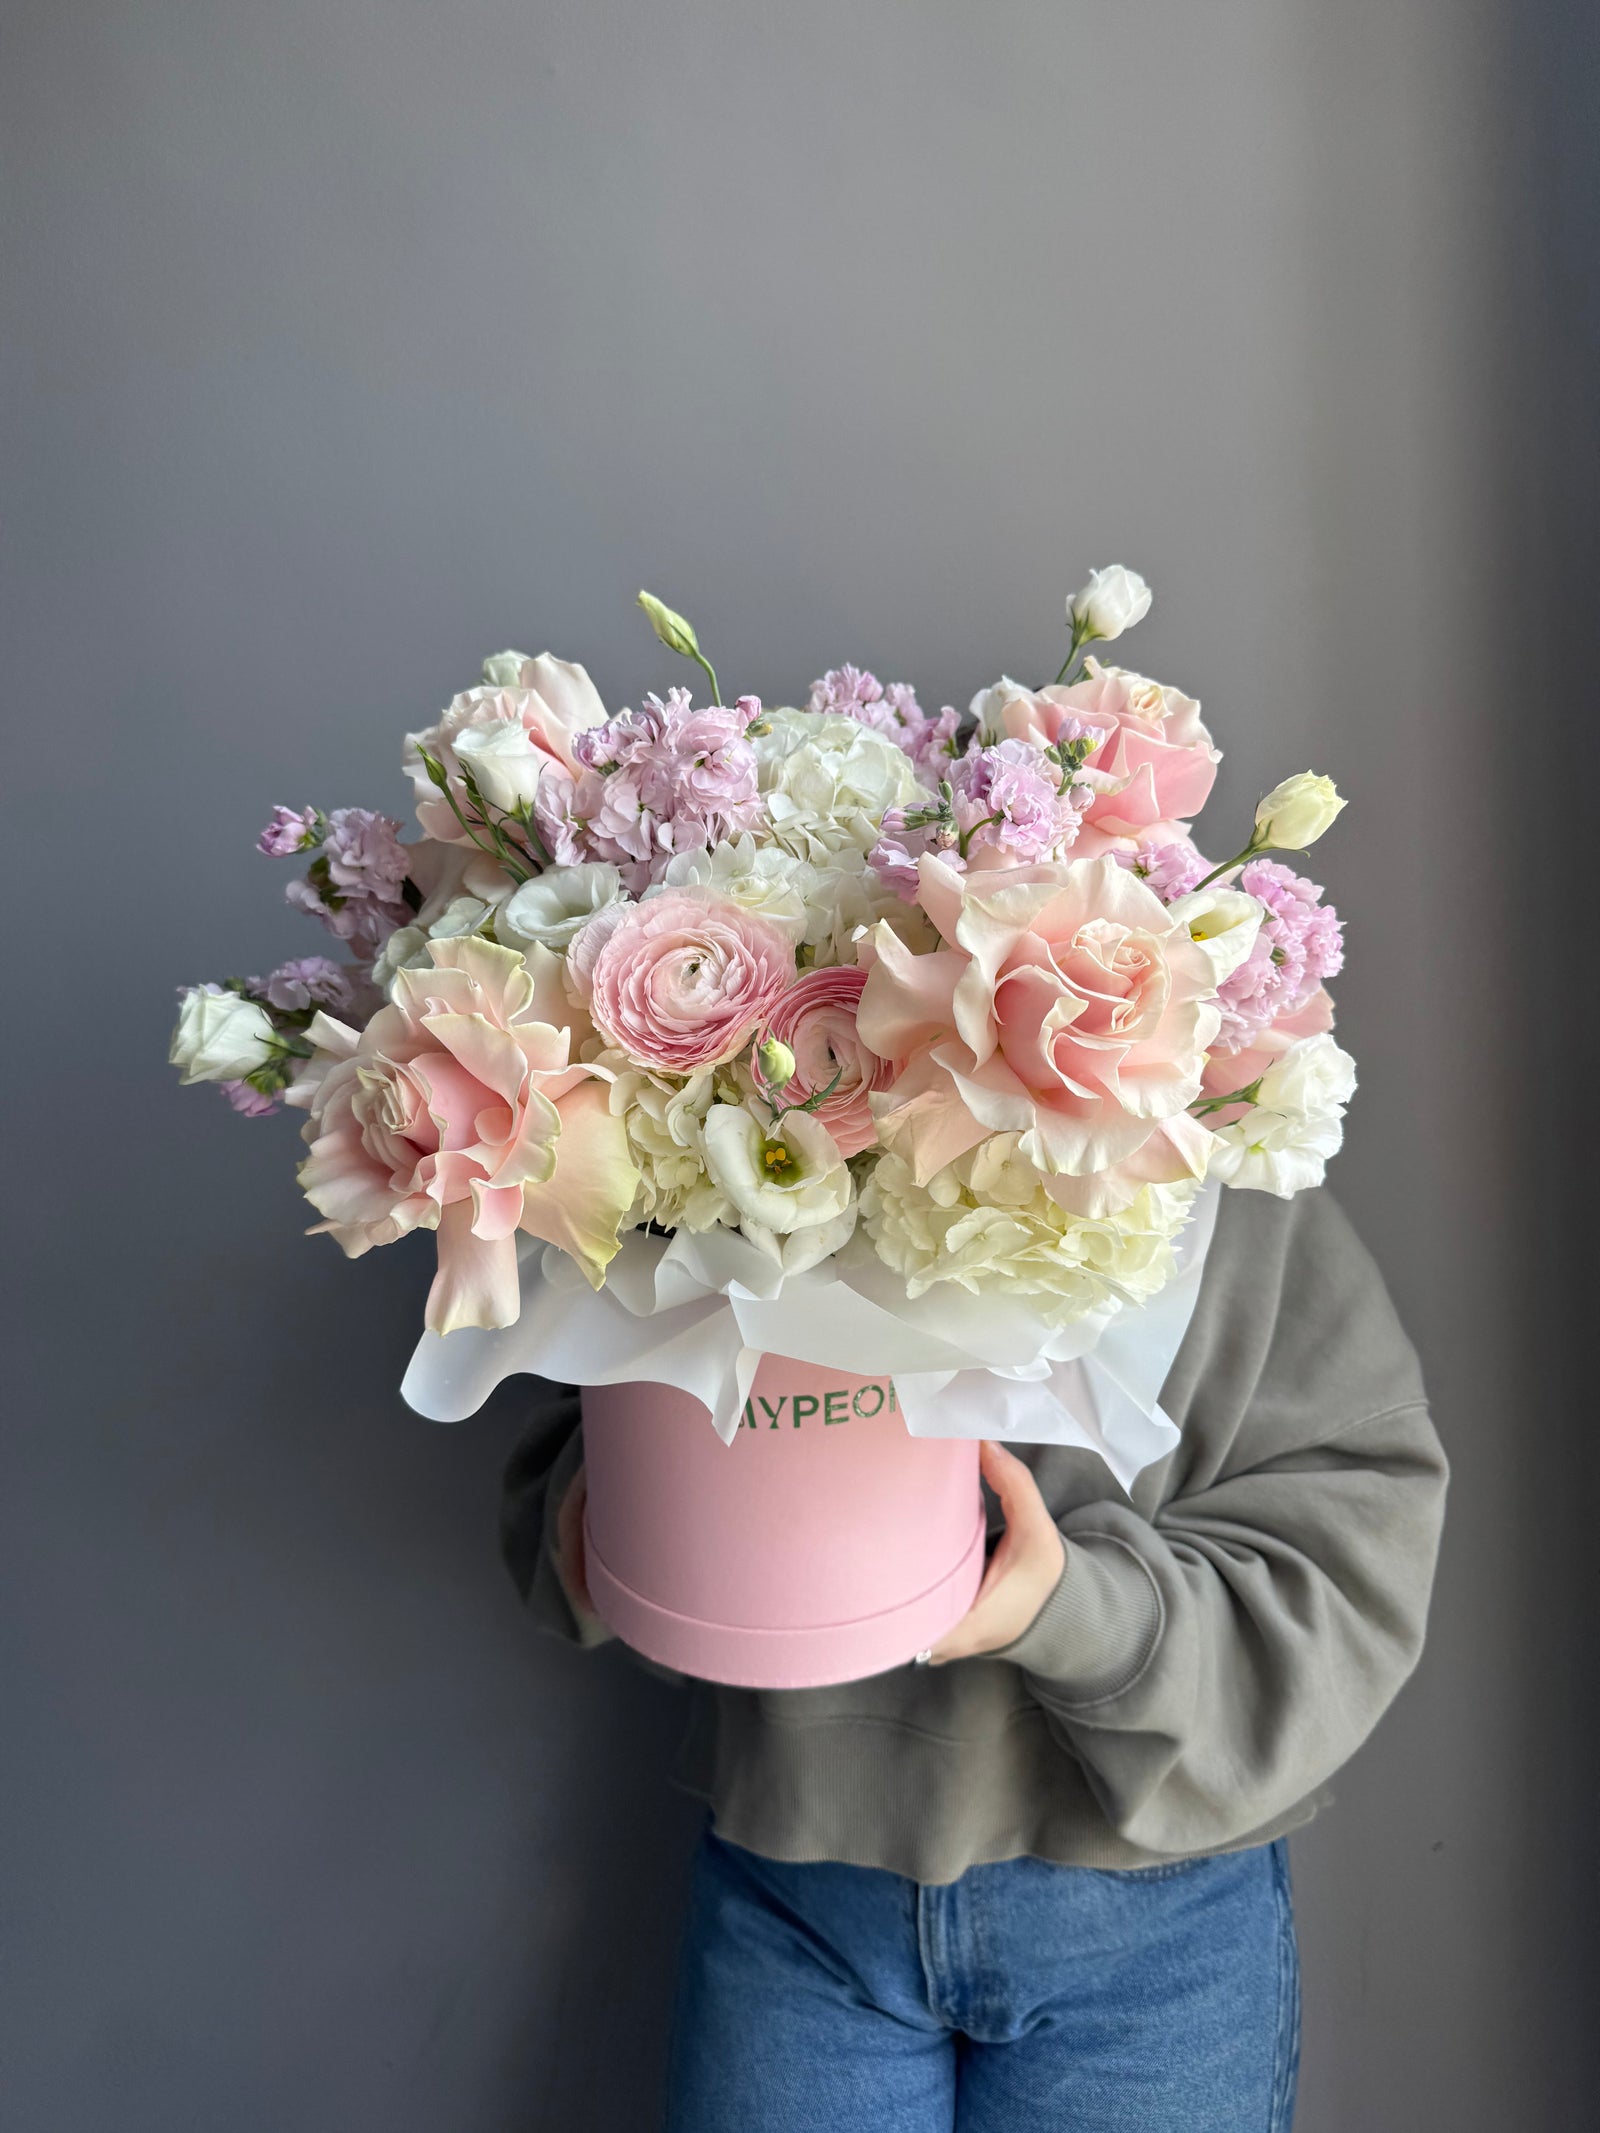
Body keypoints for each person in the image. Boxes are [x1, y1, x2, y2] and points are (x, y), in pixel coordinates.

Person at [500, 1186, 1447, 2132]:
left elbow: (1359, 1547)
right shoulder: (687, 1144)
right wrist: (655, 1521)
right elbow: (583, 1437)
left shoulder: (1237, 1183)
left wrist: (1078, 1606)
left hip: (1156, 1920)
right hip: (798, 1896)